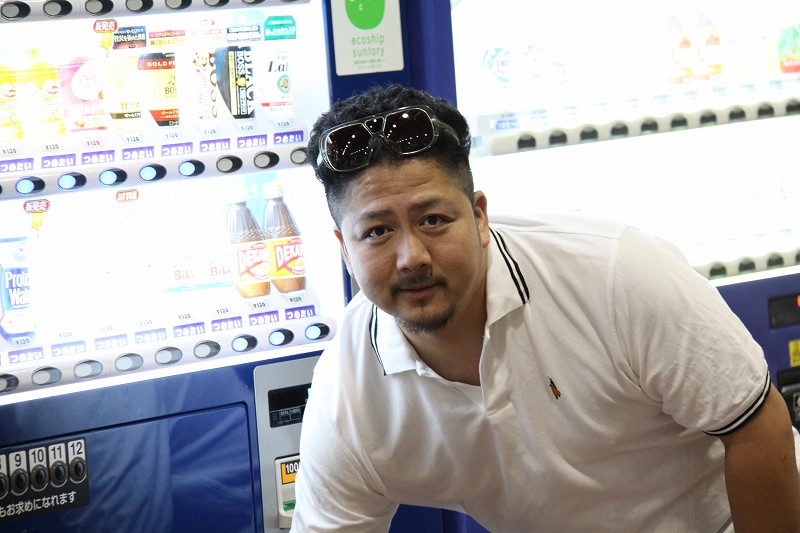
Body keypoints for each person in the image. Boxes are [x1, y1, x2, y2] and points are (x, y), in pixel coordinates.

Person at [292, 83, 800, 532]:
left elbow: (756, 427)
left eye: (433, 220)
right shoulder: (347, 393)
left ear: (479, 216)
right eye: (377, 231)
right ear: (344, 250)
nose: (412, 258)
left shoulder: (614, 273)